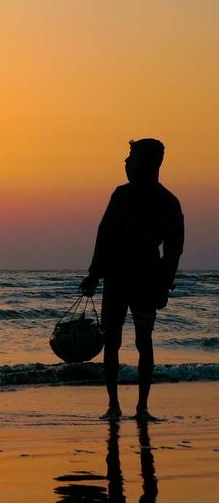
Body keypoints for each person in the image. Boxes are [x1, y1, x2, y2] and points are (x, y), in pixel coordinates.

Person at [80, 138, 184, 421]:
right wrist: (94, 274)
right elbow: (105, 236)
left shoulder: (166, 201)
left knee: (142, 341)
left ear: (149, 163)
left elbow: (174, 248)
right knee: (113, 341)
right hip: (118, 277)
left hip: (144, 279)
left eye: (132, 157)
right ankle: (114, 405)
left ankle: (141, 407)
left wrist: (164, 282)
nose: (126, 162)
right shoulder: (123, 195)